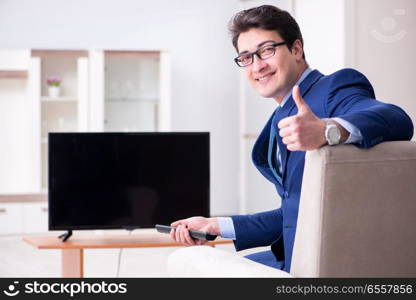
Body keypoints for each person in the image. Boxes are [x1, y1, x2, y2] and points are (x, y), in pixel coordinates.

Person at [169, 5, 414, 273]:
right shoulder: (281, 115)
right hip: (290, 257)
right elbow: (294, 214)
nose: (257, 66)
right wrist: (215, 225)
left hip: (321, 265)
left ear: (296, 49)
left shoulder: (333, 88)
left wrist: (326, 130)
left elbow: (395, 118)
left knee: (188, 265)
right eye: (246, 57)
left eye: (266, 50)